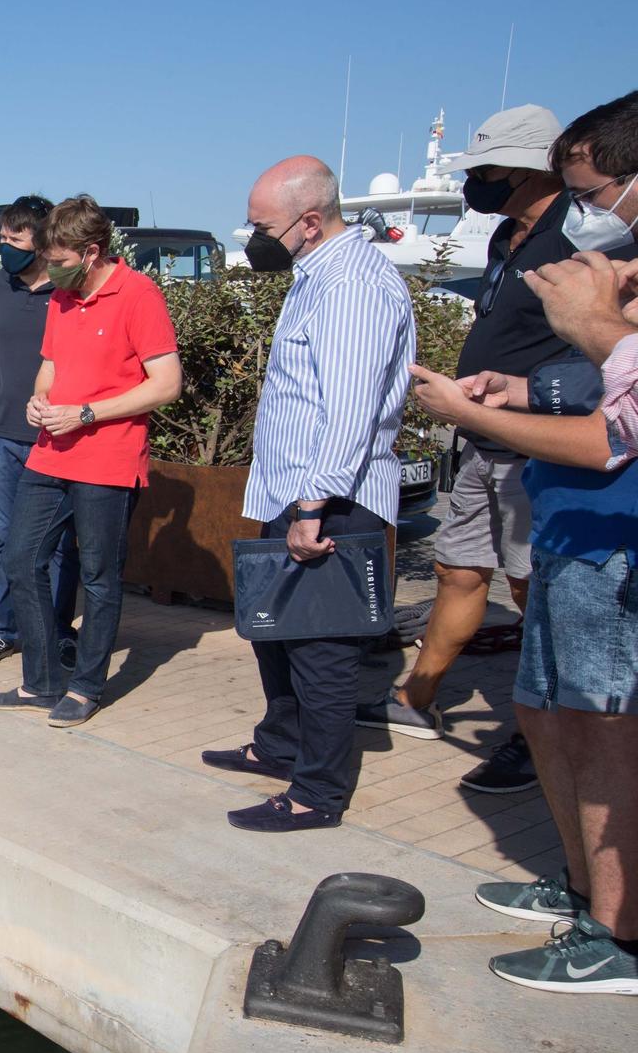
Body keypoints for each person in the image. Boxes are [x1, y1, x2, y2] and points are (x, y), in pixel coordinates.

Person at [405, 91, 638, 995]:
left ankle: (615, 936)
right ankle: (582, 887)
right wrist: (521, 388)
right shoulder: (603, 260)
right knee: (550, 714)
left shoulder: (602, 283)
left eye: (600, 189)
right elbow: (592, 387)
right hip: (569, 524)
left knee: (607, 730)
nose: (591, 211)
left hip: (611, 533)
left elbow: (613, 434)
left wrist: (468, 408)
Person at [356, 105, 574, 799]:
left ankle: (540, 732)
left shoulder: (577, 239)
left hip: (532, 446)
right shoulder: (507, 239)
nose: (474, 182)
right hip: (479, 439)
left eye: (484, 170)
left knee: (531, 588)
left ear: (529, 168)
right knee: (457, 570)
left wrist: (522, 394)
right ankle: (416, 697)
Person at [208, 157, 417, 832]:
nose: (251, 235)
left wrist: (312, 505)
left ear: (308, 220)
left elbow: (350, 408)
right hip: (291, 491)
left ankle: (317, 792)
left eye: (260, 224)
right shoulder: (315, 276)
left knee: (321, 649)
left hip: (330, 500)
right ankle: (280, 746)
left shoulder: (353, 283)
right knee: (279, 634)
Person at [0, 195, 182, 728]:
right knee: (20, 558)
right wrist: (39, 399)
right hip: (51, 454)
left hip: (108, 461)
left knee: (98, 577)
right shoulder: (63, 300)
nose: (50, 270)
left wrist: (88, 413)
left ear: (91, 253)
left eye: (61, 261)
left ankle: (88, 686)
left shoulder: (139, 295)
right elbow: (50, 366)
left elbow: (167, 384)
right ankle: (42, 680)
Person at [0, 196, 80, 672]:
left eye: (15, 239)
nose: (5, 247)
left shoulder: (67, 288)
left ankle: (54, 634)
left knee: (57, 542)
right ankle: (1, 631)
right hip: (3, 435)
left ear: (41, 241)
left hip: (57, 435)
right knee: (6, 538)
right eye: (3, 237)